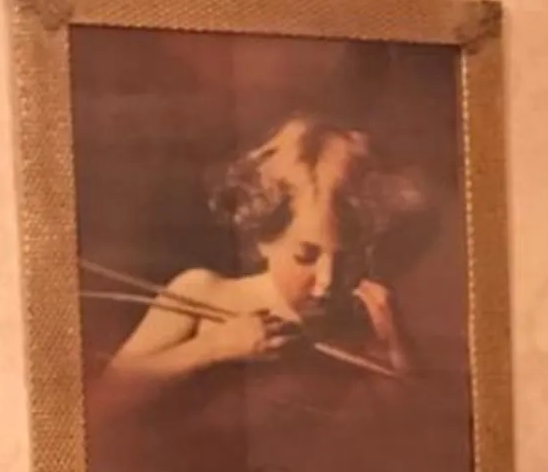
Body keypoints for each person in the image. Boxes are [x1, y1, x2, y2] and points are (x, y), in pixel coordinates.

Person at [94, 117, 412, 402]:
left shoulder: (360, 323)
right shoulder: (204, 292)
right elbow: (101, 404)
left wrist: (397, 345)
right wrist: (214, 346)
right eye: (305, 255)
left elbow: (407, 433)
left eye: (346, 258)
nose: (327, 279)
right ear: (264, 238)